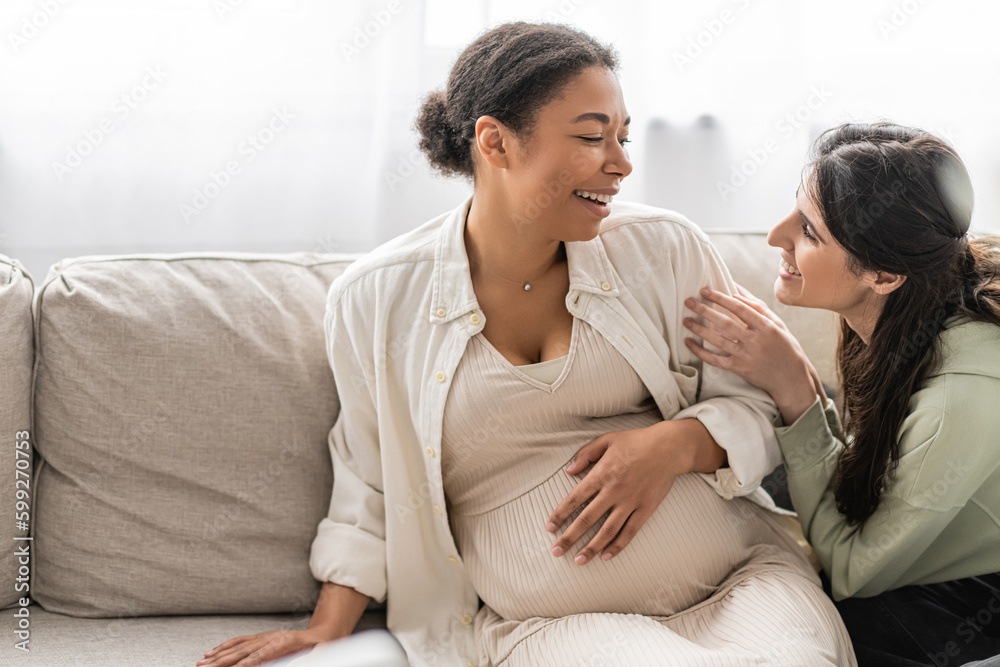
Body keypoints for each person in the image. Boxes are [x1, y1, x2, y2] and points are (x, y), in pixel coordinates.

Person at [198, 22, 856, 667]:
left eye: (622, 137)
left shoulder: (664, 248)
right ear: (495, 142)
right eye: (593, 137)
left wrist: (676, 444)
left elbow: (756, 410)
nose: (622, 164)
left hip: (742, 580)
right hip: (556, 624)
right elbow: (369, 477)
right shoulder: (375, 299)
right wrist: (327, 626)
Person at [681, 122, 1000, 666]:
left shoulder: (960, 402)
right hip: (933, 515)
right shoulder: (912, 301)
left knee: (839, 629)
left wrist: (795, 390)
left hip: (978, 587)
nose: (775, 237)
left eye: (808, 231)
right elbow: (858, 460)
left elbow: (854, 570)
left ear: (882, 274)